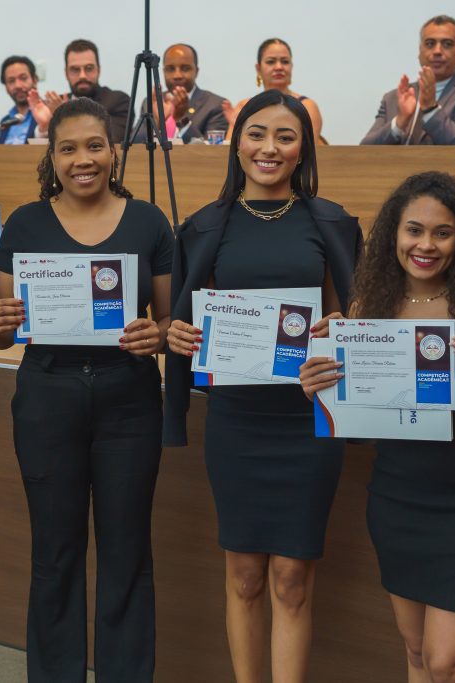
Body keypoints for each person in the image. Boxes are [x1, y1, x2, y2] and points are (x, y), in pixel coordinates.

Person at [300, 171, 455, 682]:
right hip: (399, 495)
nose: (425, 245)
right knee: (416, 654)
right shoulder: (370, 309)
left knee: (448, 662)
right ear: (394, 236)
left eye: (442, 232)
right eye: (414, 231)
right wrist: (322, 388)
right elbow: (360, 425)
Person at [165, 90, 361, 683]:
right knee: (246, 575)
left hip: (307, 423)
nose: (268, 148)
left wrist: (349, 330)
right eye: (256, 134)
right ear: (236, 141)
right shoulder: (202, 227)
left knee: (291, 579)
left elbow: (357, 315)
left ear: (303, 147)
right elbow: (184, 319)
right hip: (238, 421)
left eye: (284, 136)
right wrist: (179, 336)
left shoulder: (333, 223)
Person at [0, 97, 172, 682]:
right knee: (55, 554)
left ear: (114, 153)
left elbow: (170, 326)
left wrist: (155, 335)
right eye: (68, 148)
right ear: (52, 156)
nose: (82, 160)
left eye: (94, 146)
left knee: (126, 554)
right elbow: (4, 323)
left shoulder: (149, 223)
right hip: (48, 397)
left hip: (129, 401)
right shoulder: (25, 224)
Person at [361, 15, 455, 145]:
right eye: (430, 44)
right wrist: (400, 122)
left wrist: (431, 109)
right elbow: (364, 152)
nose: (437, 51)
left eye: (447, 44)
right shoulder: (392, 98)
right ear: (420, 51)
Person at [28, 38, 131, 143]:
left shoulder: (118, 101)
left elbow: (110, 142)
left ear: (99, 70)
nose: (82, 76)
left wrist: (64, 117)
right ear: (66, 74)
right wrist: (44, 128)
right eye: (75, 70)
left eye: (89, 68)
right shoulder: (54, 105)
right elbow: (39, 154)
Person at [223, 39, 324, 143]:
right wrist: (238, 131)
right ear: (258, 69)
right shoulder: (245, 105)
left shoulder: (307, 106)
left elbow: (308, 151)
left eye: (285, 62)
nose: (279, 67)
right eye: (271, 61)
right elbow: (228, 153)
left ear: (291, 67)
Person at [133, 43, 227, 144]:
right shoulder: (149, 103)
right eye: (170, 69)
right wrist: (157, 122)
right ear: (164, 71)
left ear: (196, 71)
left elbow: (212, 153)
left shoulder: (215, 105)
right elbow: (134, 145)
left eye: (185, 68)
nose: (177, 75)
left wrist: (182, 119)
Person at [0, 55, 39, 144]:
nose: (18, 85)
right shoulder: (5, 121)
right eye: (11, 81)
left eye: (23, 78)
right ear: (6, 87)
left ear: (34, 81)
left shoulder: (49, 115)